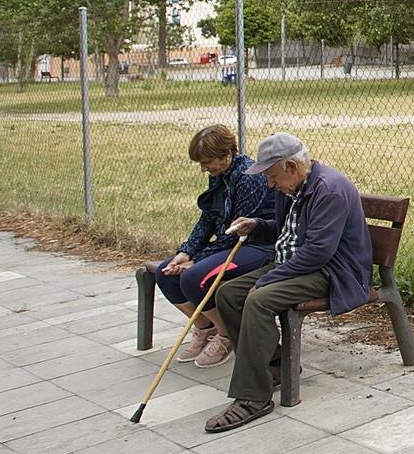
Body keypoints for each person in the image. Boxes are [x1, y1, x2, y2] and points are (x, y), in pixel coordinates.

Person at [203, 132, 373, 433]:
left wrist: (269, 278)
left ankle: (253, 397)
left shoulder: (328, 189)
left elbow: (318, 252)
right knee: (228, 294)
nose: (270, 184)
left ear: (292, 166)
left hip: (332, 272)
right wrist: (256, 226)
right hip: (293, 265)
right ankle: (277, 364)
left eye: (272, 176)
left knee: (258, 299)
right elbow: (287, 232)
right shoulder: (290, 189)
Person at [149, 125, 276, 368]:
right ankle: (203, 327)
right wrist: (185, 252)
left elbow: (238, 232)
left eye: (207, 162)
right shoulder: (219, 175)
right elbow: (208, 218)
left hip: (257, 246)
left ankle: (226, 335)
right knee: (165, 273)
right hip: (231, 244)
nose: (204, 168)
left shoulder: (249, 177)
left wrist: (196, 261)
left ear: (226, 154)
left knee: (194, 278)